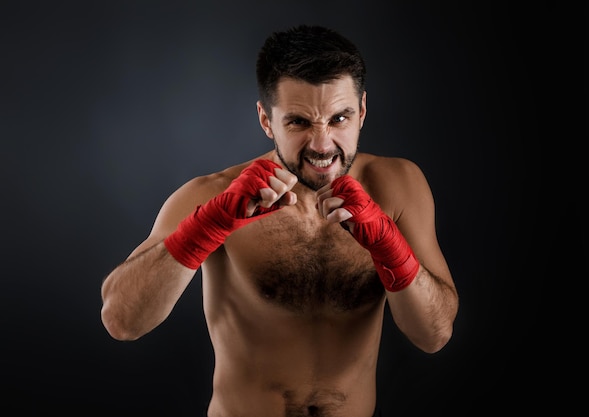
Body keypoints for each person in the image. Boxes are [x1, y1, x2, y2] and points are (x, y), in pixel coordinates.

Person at [100, 24, 459, 417]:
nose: (322, 145)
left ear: (362, 112)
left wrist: (391, 248)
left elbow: (434, 335)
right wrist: (210, 224)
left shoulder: (398, 188)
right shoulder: (212, 196)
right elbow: (121, 319)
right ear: (266, 120)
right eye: (299, 122)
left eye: (339, 119)